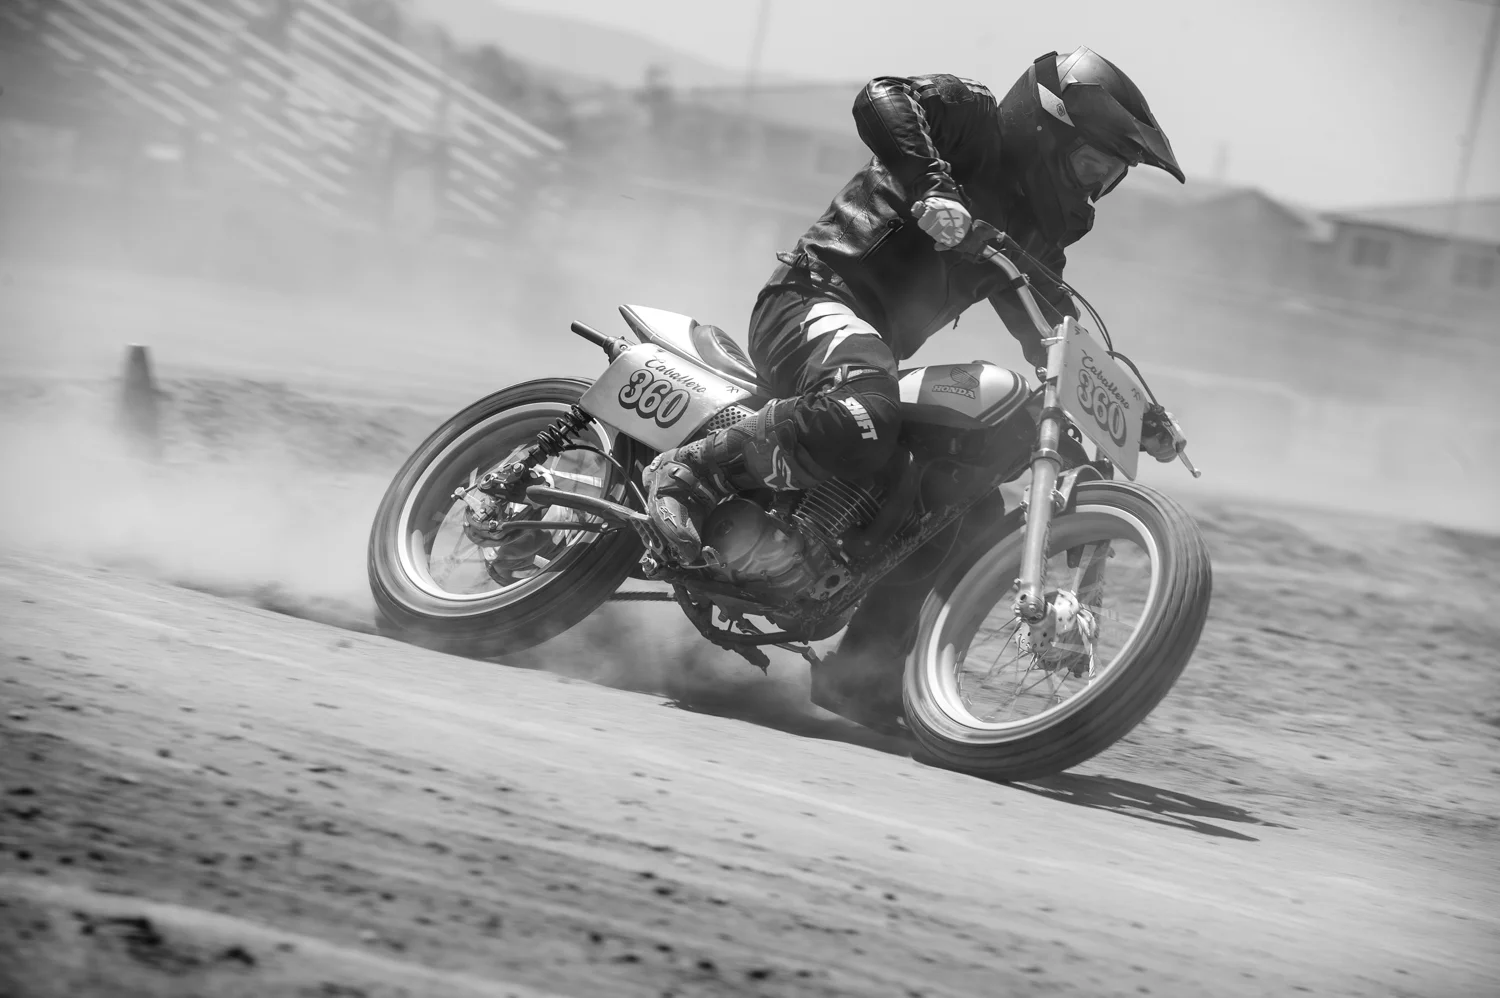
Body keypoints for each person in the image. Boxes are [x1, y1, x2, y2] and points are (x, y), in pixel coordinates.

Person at [645, 47, 1189, 727]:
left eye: (1107, 179)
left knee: (967, 501)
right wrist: (934, 186)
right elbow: (881, 96)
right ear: (1049, 131)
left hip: (870, 355)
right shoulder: (971, 122)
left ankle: (864, 677)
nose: (1092, 190)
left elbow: (1056, 335)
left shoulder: (1033, 238)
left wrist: (1137, 413)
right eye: (1089, 166)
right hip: (812, 297)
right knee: (865, 409)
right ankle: (691, 472)